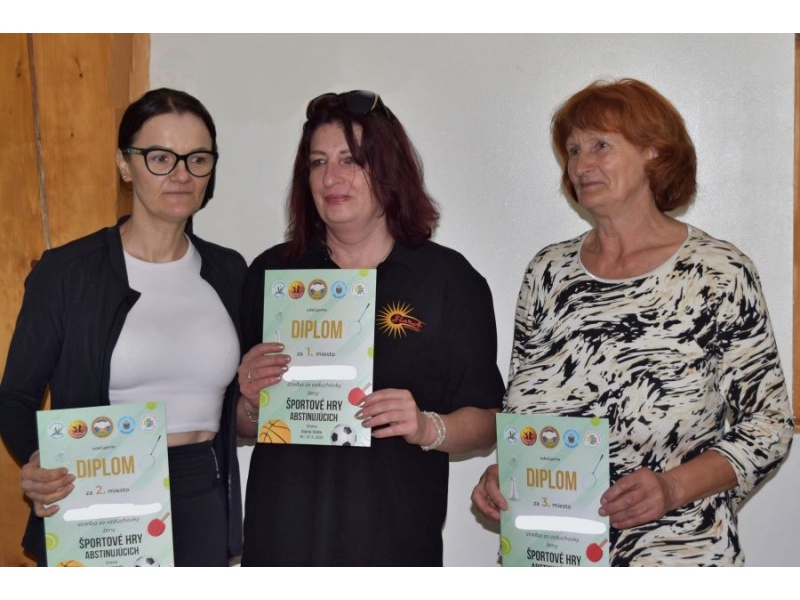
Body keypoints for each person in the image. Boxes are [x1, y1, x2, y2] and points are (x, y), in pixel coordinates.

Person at [470, 78, 793, 566]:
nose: (581, 164)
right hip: (550, 558)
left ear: (654, 152)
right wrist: (509, 474)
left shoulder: (718, 272)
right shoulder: (548, 273)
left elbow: (769, 426)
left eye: (601, 145)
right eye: (573, 150)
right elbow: (525, 419)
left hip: (678, 556)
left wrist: (671, 487)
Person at [237, 90, 505, 566]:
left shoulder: (448, 279)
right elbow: (239, 423)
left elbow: (486, 423)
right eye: (318, 162)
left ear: (389, 169)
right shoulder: (272, 274)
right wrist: (253, 402)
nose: (331, 177)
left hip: (395, 541)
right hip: (282, 537)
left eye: (351, 160)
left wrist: (426, 426)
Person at [0, 88, 245, 566]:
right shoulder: (67, 273)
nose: (181, 174)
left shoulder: (231, 271)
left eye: (197, 159)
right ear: (125, 165)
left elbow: (242, 402)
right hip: (101, 497)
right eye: (160, 157)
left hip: (204, 497)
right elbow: (15, 398)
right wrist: (37, 460)